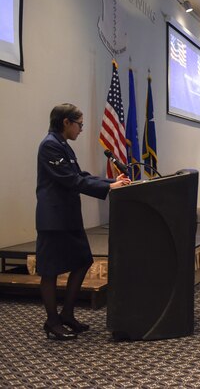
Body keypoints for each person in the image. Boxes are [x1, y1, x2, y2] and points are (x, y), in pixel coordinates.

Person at [36, 103, 130, 340]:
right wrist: (109, 187)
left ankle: (67, 314)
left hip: (67, 217)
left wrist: (112, 180)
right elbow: (70, 180)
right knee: (49, 271)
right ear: (66, 122)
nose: (81, 129)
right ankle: (52, 321)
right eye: (79, 124)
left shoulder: (62, 145)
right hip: (54, 219)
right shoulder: (50, 145)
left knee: (82, 261)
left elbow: (80, 176)